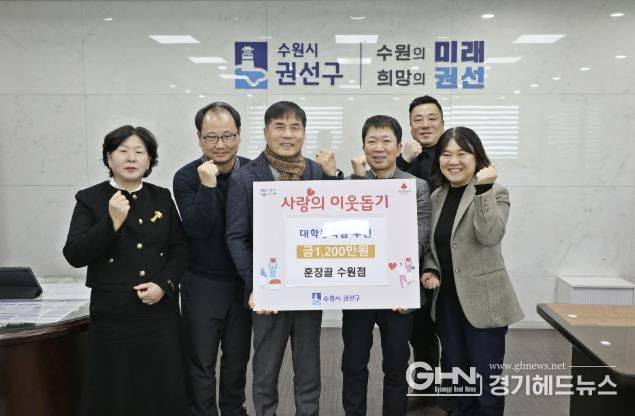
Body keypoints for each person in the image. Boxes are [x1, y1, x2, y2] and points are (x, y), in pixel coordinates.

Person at [63, 125, 189, 416]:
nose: (131, 158)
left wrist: (164, 285)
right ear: (109, 158)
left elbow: (180, 248)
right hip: (113, 314)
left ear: (149, 160)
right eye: (123, 151)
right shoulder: (90, 199)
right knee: (114, 391)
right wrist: (111, 223)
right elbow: (75, 255)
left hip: (159, 312)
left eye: (139, 152)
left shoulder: (161, 197)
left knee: (162, 388)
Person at [225, 101, 338, 416]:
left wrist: (333, 177)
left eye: (295, 127)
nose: (288, 135)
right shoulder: (245, 178)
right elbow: (236, 237)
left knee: (309, 367)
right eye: (279, 127)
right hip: (268, 291)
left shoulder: (315, 171)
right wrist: (257, 284)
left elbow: (332, 221)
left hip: (307, 287)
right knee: (265, 368)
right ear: (265, 133)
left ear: (303, 133)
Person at [420, 127, 524, 416]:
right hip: (447, 302)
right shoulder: (437, 196)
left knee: (486, 379)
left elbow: (489, 235)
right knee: (458, 377)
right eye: (446, 154)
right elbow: (432, 245)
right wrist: (430, 269)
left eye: (462, 153)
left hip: (484, 302)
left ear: (477, 157)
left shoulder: (495, 192)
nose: (453, 161)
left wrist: (483, 190)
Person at [342, 115, 431, 416]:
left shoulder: (416, 187)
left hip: (398, 291)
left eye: (386, 141)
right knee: (353, 363)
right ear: (363, 146)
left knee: (396, 364)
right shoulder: (349, 185)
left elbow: (420, 237)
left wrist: (394, 268)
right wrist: (360, 182)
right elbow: (346, 231)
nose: (379, 148)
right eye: (372, 141)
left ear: (399, 147)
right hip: (359, 289)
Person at [173, 102, 251, 416]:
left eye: (227, 136)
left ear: (239, 135)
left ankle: (234, 410)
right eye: (211, 137)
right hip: (202, 281)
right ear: (199, 138)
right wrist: (208, 185)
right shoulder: (186, 177)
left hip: (243, 281)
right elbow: (196, 228)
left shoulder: (253, 172)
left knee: (237, 358)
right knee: (201, 360)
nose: (220, 145)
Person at [397, 95, 445, 409]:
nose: (425, 124)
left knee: (452, 333)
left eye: (431, 118)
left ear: (442, 122)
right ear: (411, 125)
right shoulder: (403, 156)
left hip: (446, 257)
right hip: (411, 257)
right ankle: (427, 393)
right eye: (418, 119)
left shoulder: (454, 154)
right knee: (420, 332)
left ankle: (455, 397)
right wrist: (403, 160)